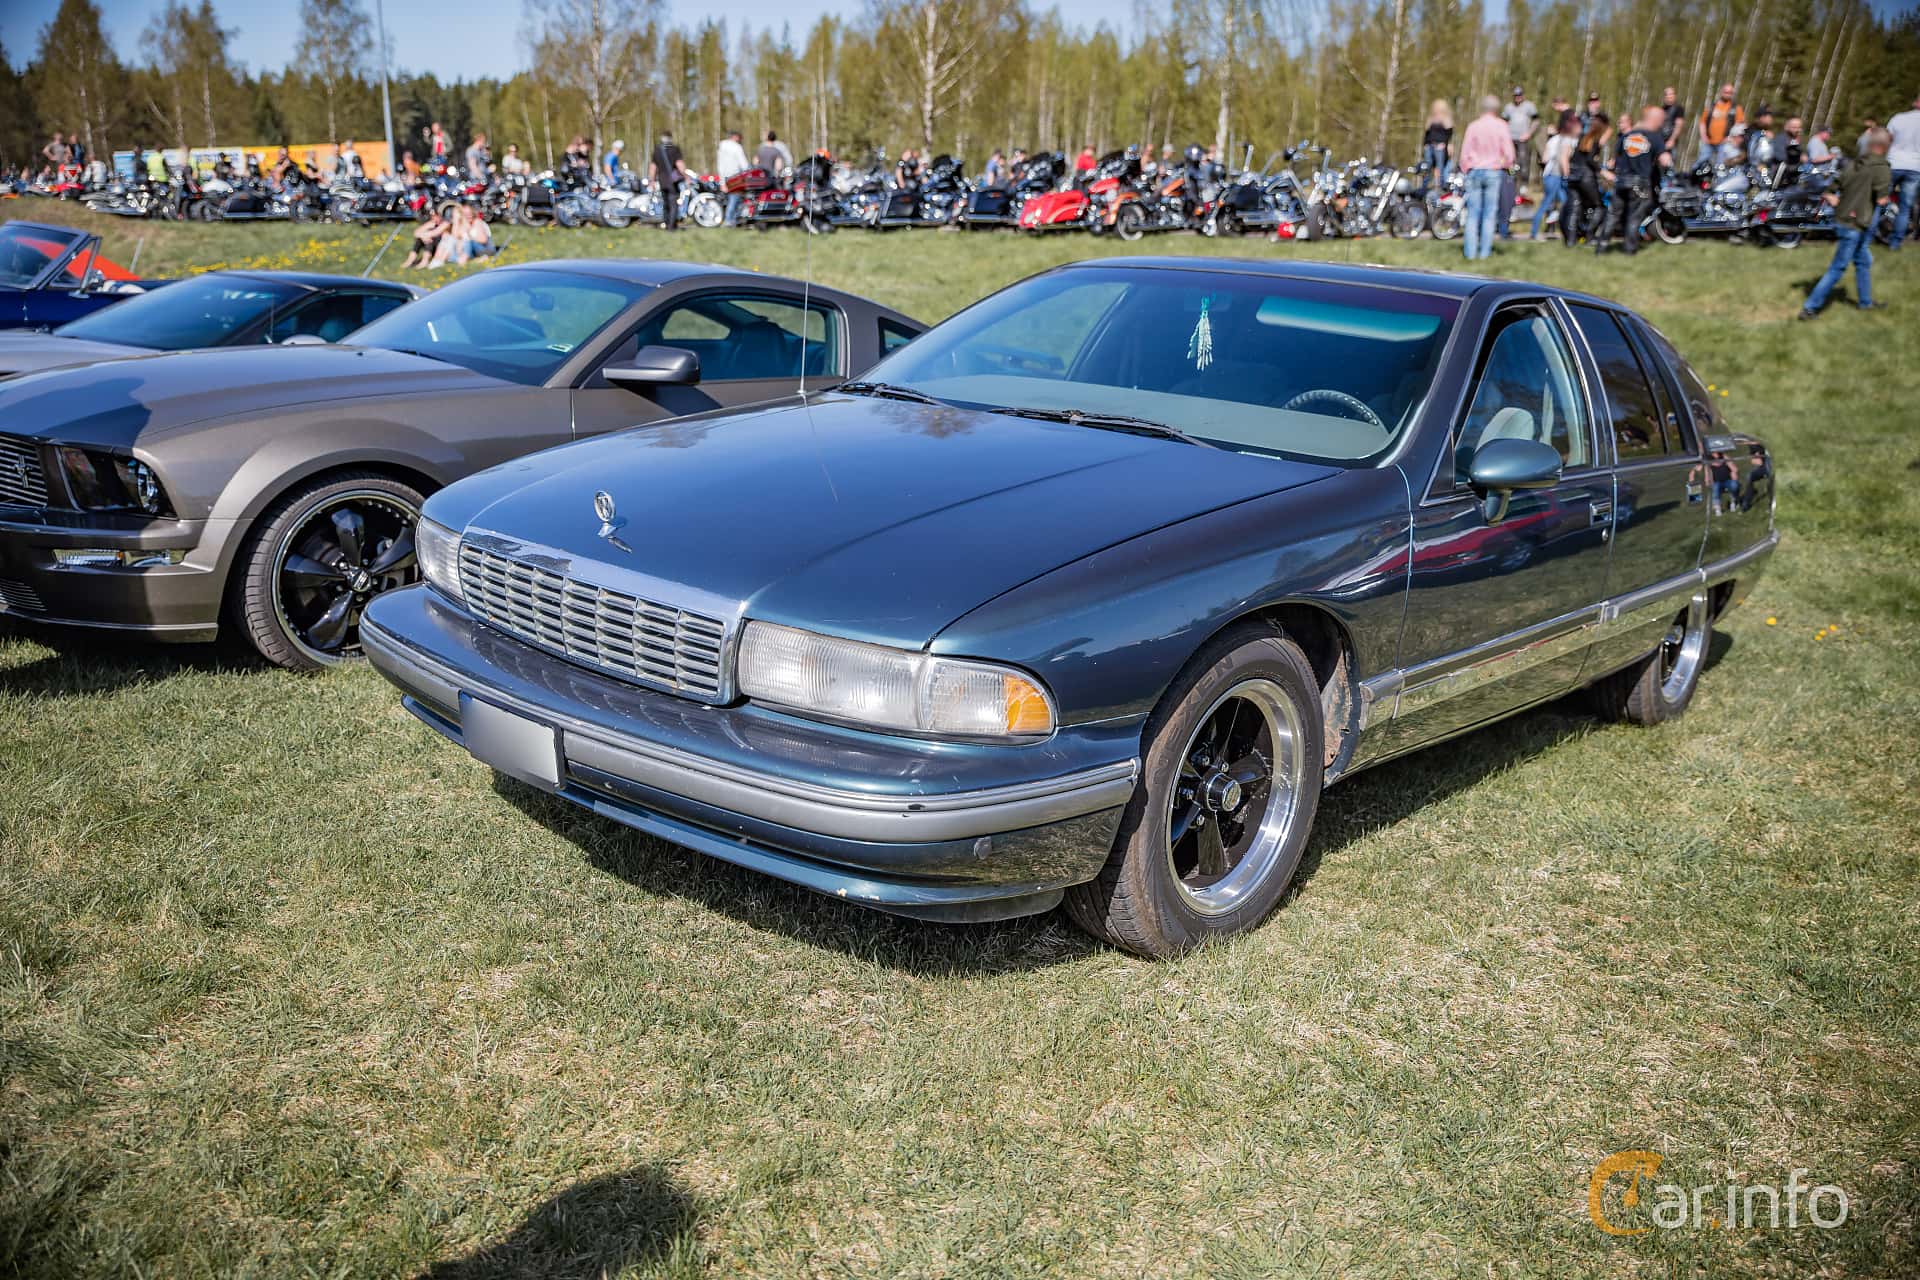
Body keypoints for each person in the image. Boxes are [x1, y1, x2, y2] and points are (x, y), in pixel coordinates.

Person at [1801, 129, 1893, 317]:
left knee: (1863, 261)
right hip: (1857, 224)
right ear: (1884, 146)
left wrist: (1832, 198)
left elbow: (1830, 188)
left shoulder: (1853, 164)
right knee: (1838, 267)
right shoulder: (1882, 167)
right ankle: (1810, 307)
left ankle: (1865, 303)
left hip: (1843, 220)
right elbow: (1883, 200)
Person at [1596, 104, 1671, 255]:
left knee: (1613, 215)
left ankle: (1601, 248)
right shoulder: (1654, 137)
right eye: (1661, 120)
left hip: (1621, 181)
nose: (1661, 124)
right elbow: (1665, 161)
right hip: (1640, 183)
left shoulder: (1626, 136)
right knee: (1634, 217)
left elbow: (1615, 160)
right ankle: (1629, 250)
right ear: (1654, 119)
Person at [1460, 95, 1516, 261]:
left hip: (1475, 170)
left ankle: (1470, 254)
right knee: (1489, 214)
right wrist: (1505, 164)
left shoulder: (1473, 126)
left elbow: (1464, 153)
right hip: (1493, 171)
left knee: (1472, 214)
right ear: (1496, 109)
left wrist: (1466, 169)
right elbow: (1509, 154)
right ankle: (1484, 254)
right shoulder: (1501, 126)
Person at [1563, 110, 1611, 246]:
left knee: (1575, 207)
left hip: (1573, 175)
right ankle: (1589, 236)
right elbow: (1590, 159)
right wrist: (1603, 171)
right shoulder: (1595, 139)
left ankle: (1571, 241)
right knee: (1600, 207)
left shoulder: (1583, 137)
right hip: (1585, 177)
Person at [1883, 91, 1920, 251]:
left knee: (1879, 201)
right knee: (1905, 208)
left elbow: (1885, 140)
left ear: (1916, 102)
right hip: (1915, 167)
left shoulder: (1899, 118)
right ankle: (1895, 244)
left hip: (1894, 163)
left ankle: (1865, 238)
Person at [1532, 111, 1577, 239]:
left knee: (1560, 202)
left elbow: (1544, 159)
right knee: (1556, 203)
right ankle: (1535, 232)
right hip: (1557, 175)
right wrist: (1567, 175)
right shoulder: (1568, 140)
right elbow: (1565, 160)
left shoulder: (1552, 140)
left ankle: (1539, 229)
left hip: (1549, 175)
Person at [1503, 85, 1539, 187]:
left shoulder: (1529, 106)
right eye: (1516, 95)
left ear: (1523, 95)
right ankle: (1511, 181)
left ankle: (1523, 184)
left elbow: (1536, 120)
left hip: (1522, 139)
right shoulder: (1508, 107)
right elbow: (1503, 121)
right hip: (1510, 139)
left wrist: (1529, 133)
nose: (1518, 97)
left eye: (1519, 95)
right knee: (1510, 162)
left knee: (1523, 161)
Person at [651, 131, 688, 230]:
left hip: (662, 181)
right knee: (673, 204)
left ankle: (667, 224)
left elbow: (653, 167)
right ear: (670, 138)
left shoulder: (657, 150)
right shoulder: (674, 149)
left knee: (665, 204)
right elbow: (680, 164)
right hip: (672, 181)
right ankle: (671, 227)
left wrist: (652, 181)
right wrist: (687, 176)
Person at [1699, 84, 1744, 163]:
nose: (1727, 94)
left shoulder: (1736, 108)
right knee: (1700, 164)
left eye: (1730, 92)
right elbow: (1702, 122)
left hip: (1724, 144)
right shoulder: (1711, 107)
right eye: (1726, 92)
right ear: (1721, 92)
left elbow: (1740, 126)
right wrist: (1703, 136)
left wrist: (1731, 138)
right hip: (1708, 142)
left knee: (1720, 166)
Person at [715, 129, 748, 224]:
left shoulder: (722, 146)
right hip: (735, 177)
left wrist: (722, 181)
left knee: (730, 199)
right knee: (735, 199)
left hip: (724, 176)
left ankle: (730, 219)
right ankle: (729, 220)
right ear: (736, 137)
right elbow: (744, 165)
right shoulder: (737, 147)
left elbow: (720, 164)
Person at [1422, 99, 1454, 184]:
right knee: (1427, 167)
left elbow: (1449, 134)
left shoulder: (1446, 119)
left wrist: (1447, 146)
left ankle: (1440, 184)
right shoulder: (1431, 119)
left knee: (1440, 167)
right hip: (1429, 146)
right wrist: (1425, 145)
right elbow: (1426, 134)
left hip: (1440, 146)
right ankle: (1425, 185)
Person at [1658, 86, 1686, 152]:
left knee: (1668, 161)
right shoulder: (1662, 109)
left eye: (1671, 94)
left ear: (1675, 95)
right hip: (1659, 139)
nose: (1669, 96)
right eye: (1667, 94)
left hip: (1670, 140)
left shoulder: (1678, 108)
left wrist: (1672, 140)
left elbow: (1679, 125)